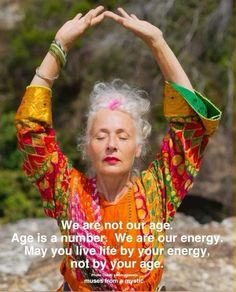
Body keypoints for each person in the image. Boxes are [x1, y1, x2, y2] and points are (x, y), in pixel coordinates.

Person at [14, 6, 221, 292]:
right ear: (87, 146)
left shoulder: (156, 191)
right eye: (101, 136)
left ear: (139, 147)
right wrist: (58, 48)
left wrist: (158, 44)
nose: (112, 144)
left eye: (123, 136)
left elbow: (194, 125)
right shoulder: (67, 191)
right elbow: (30, 129)